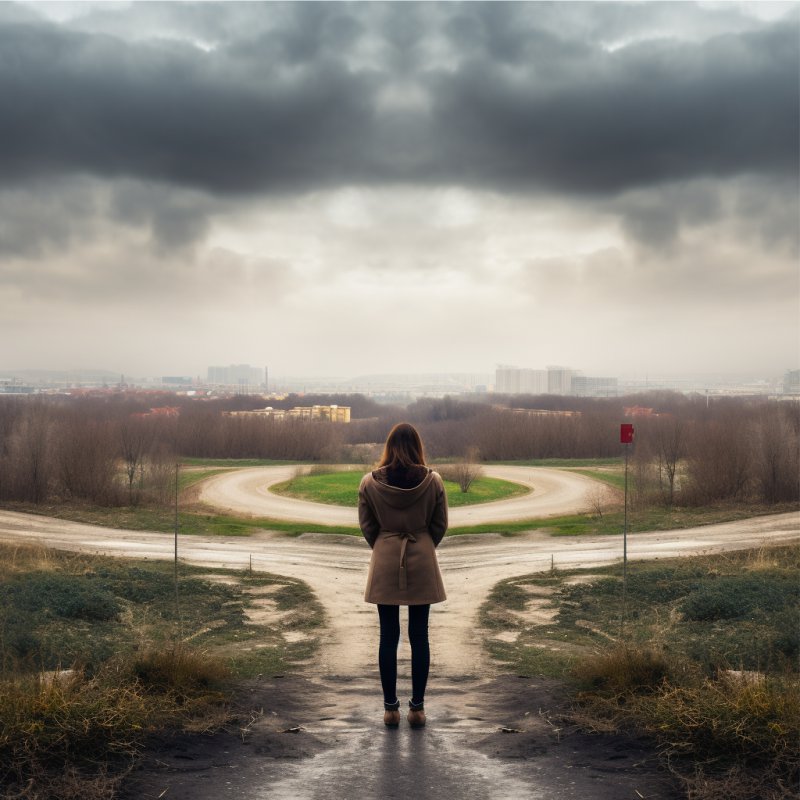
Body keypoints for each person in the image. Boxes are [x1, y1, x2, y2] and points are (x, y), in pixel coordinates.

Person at [358, 422, 448, 729]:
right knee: (419, 635)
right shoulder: (433, 481)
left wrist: (385, 546)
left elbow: (368, 526)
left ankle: (390, 710)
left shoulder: (369, 483)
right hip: (422, 556)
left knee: (388, 635)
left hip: (384, 559)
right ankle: (418, 710)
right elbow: (440, 525)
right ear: (418, 447)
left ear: (388, 446)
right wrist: (421, 544)